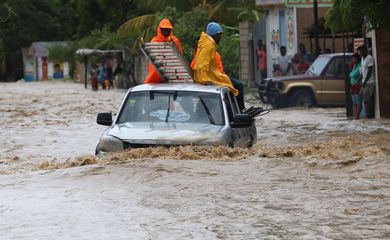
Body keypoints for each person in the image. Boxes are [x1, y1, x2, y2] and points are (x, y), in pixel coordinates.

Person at [193, 22, 245, 110]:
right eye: (219, 35)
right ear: (215, 35)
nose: (220, 37)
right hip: (211, 77)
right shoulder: (208, 46)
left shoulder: (207, 44)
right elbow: (201, 65)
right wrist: (205, 81)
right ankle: (240, 109)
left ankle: (236, 109)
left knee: (232, 86)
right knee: (238, 85)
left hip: (214, 75)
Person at [144, 18, 183, 84]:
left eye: (168, 29)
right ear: (160, 29)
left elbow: (180, 57)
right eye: (164, 29)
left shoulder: (175, 41)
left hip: (173, 75)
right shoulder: (155, 41)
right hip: (155, 78)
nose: (166, 31)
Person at [358, 45, 376, 119]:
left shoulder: (369, 58)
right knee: (361, 97)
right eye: (359, 51)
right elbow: (363, 71)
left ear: (365, 50)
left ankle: (369, 115)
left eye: (361, 50)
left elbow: (370, 70)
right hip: (364, 82)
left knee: (368, 100)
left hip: (369, 82)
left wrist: (365, 81)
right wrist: (361, 80)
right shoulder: (362, 58)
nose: (360, 52)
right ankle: (365, 115)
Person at [349, 53, 362, 120]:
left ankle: (357, 117)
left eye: (355, 58)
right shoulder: (354, 66)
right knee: (354, 103)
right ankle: (355, 117)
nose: (353, 60)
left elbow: (361, 74)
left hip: (358, 86)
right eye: (352, 58)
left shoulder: (360, 65)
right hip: (353, 86)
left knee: (358, 102)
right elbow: (351, 75)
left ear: (358, 59)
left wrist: (357, 83)